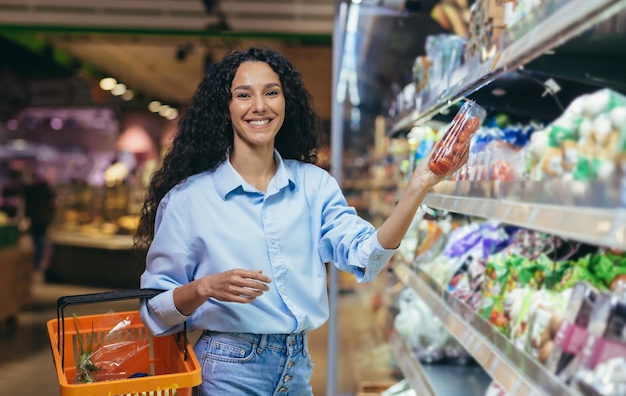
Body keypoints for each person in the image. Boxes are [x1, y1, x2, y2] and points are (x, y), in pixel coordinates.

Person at [135, 47, 466, 395]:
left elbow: (367, 258)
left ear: (285, 102)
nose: (259, 105)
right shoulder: (189, 200)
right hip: (227, 368)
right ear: (225, 107)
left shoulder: (314, 185)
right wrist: (204, 288)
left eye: (271, 92)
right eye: (243, 95)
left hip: (297, 367)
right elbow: (155, 310)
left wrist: (418, 186)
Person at [23, 174, 56, 271]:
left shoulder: (32, 190)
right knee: (40, 241)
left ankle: (36, 262)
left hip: (36, 219)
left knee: (37, 241)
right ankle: (37, 262)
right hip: (42, 220)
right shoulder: (45, 190)